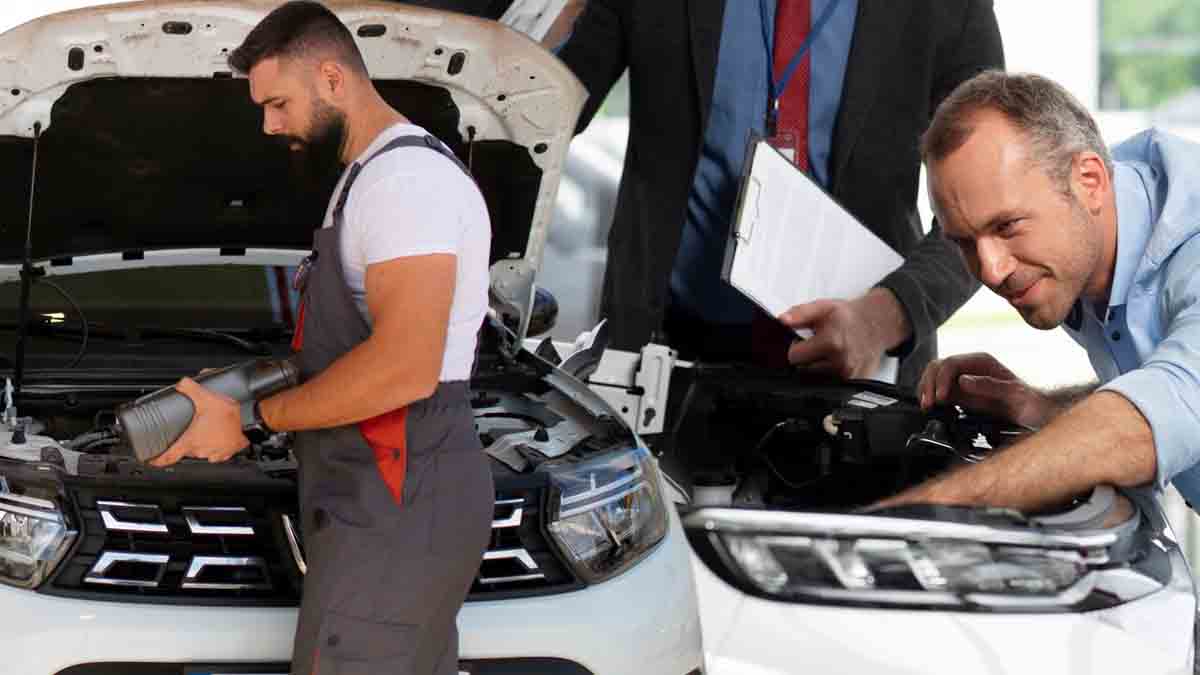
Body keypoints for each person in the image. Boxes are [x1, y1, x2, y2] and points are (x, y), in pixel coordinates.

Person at [149, 3, 494, 673]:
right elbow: (349, 344)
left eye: (278, 102)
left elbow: (405, 366)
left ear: (333, 77)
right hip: (378, 495)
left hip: (402, 488)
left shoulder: (405, 182)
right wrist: (234, 391)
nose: (269, 124)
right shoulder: (369, 177)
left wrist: (252, 419)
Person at [555, 0, 1004, 386]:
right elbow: (533, 112)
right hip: (664, 348)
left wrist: (888, 314)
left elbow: (992, 208)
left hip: (865, 356)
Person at [876, 70, 1200, 514]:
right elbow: (1157, 378)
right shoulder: (1095, 227)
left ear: (1090, 181)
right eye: (964, 242)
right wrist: (1037, 407)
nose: (991, 270)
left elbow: (1147, 424)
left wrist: (898, 523)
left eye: (1007, 226)